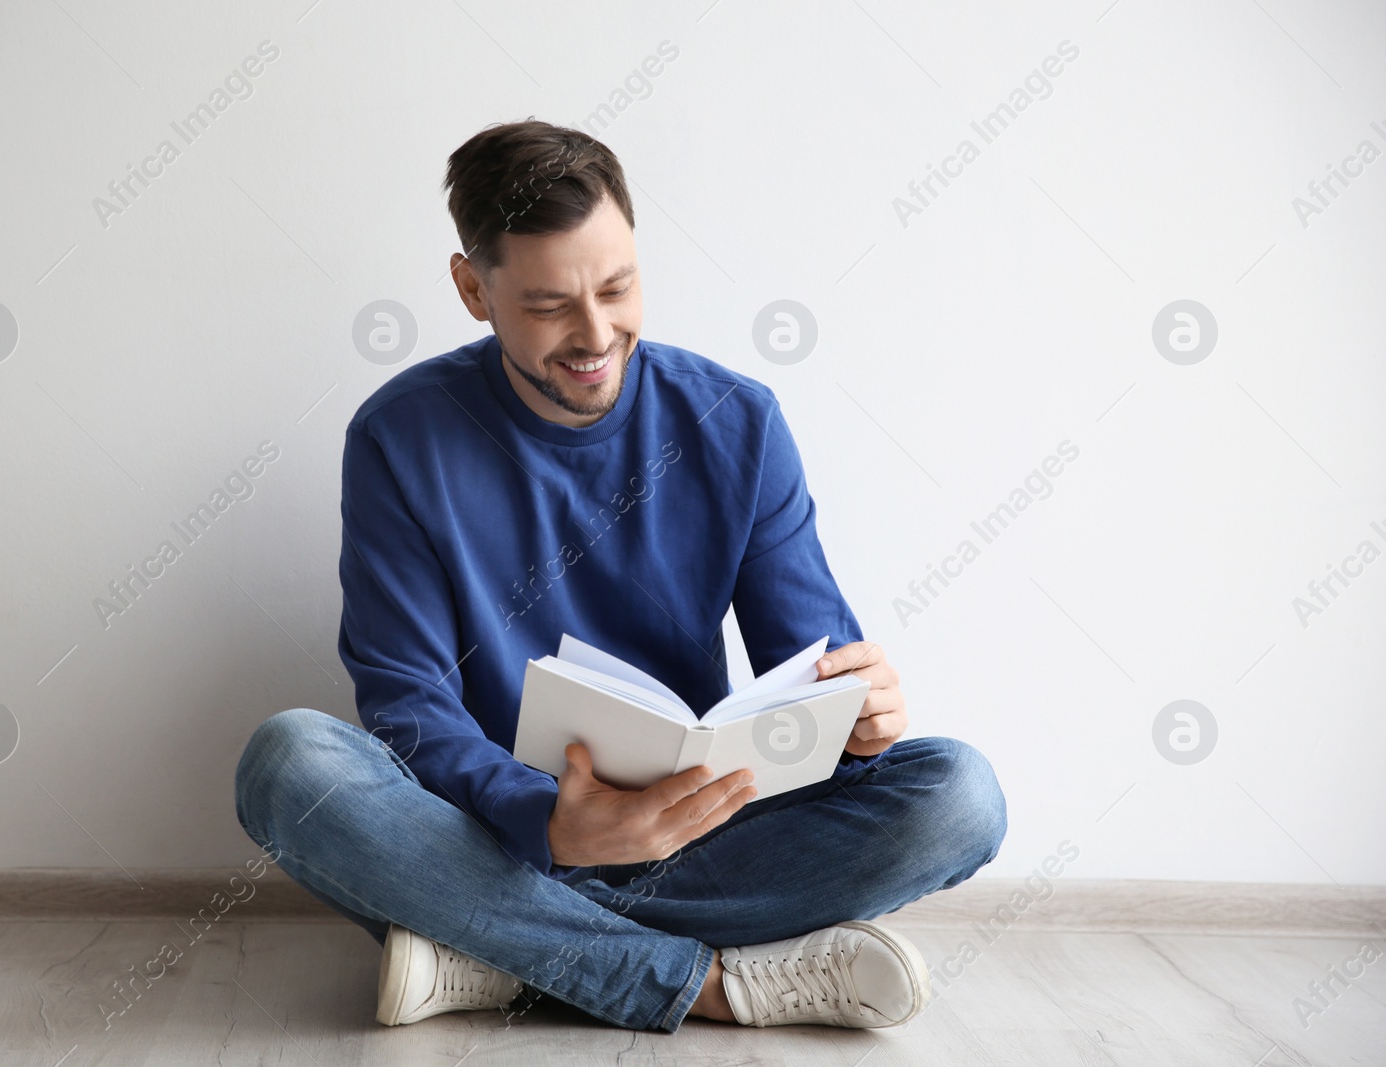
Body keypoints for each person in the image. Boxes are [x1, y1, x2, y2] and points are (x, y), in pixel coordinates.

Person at [234, 118, 1007, 1034]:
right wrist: (551, 822)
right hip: (499, 835)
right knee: (289, 763)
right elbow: (409, 706)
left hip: (704, 829)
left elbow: (811, 676)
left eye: (618, 286)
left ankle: (495, 955)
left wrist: (860, 716)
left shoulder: (737, 422)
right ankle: (703, 982)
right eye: (550, 304)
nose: (596, 334)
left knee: (960, 794)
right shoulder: (399, 438)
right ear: (473, 289)